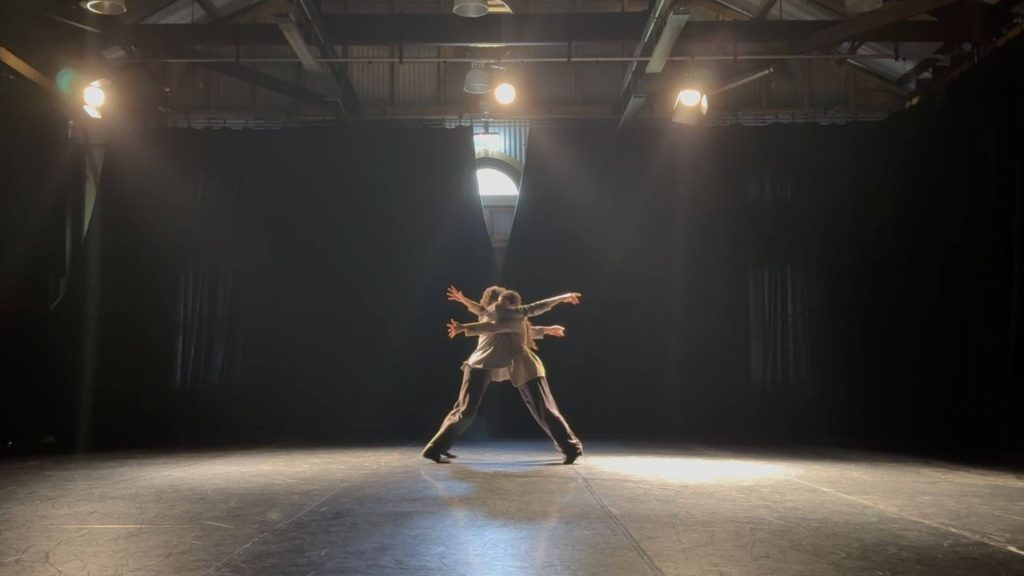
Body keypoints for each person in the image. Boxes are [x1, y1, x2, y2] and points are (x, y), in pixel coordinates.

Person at [422, 287, 583, 464]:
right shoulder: (506, 314)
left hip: (478, 363)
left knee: (463, 410)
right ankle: (571, 447)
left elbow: (510, 327)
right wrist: (562, 298)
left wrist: (463, 303)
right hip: (511, 364)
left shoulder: (487, 312)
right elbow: (512, 321)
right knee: (543, 408)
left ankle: (437, 446)